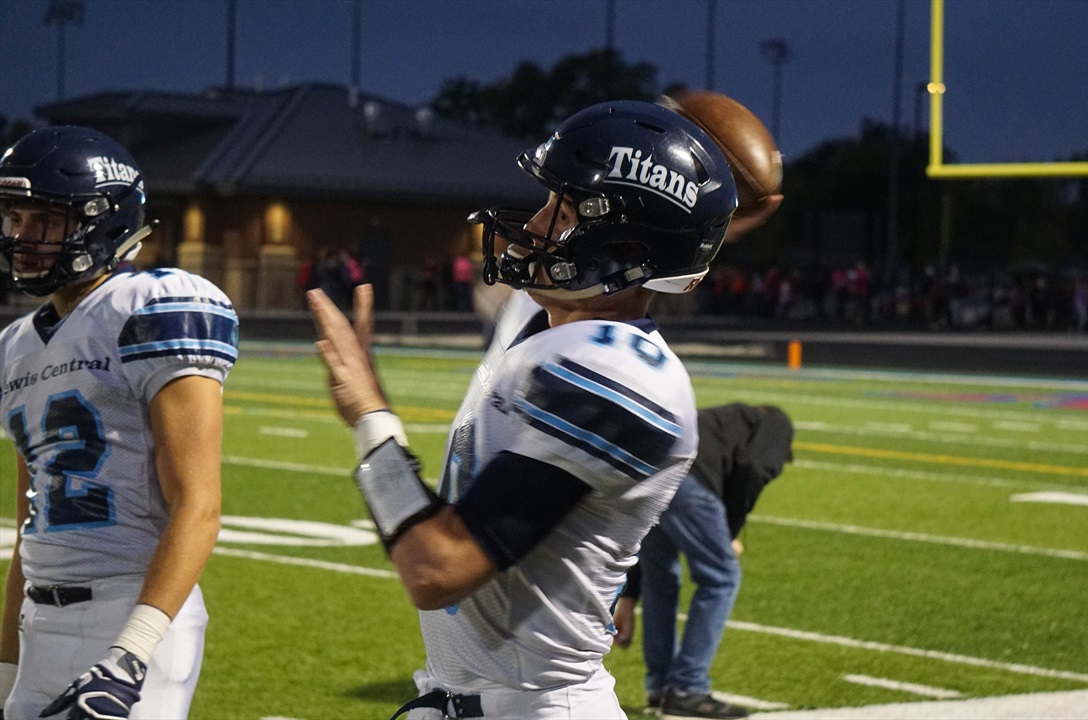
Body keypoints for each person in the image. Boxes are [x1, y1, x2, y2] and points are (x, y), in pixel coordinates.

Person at [306, 100, 738, 719]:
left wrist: (370, 418)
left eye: (562, 210)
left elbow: (436, 567)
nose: (534, 224)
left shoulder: (619, 374)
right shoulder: (552, 321)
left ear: (622, 245)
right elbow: (672, 238)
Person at [0, 127, 237, 719]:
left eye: (43, 220)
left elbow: (198, 504)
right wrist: (3, 669)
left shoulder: (151, 306)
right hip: (38, 622)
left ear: (101, 222)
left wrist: (128, 656)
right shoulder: (14, 345)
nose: (21, 237)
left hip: (130, 616)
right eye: (15, 218)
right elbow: (31, 522)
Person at [613, 404, 794, 719]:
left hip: (650, 474)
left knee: (660, 580)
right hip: (689, 480)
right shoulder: (778, 424)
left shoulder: (720, 420)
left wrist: (629, 595)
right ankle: (687, 687)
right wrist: (730, 530)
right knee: (722, 578)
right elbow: (755, 466)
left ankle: (660, 687)